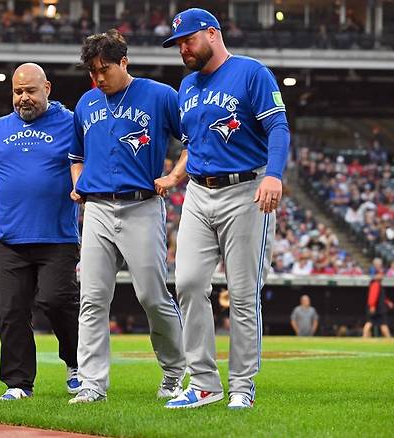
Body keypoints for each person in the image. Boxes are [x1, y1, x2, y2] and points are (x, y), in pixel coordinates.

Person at [159, 8, 290, 409]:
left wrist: (275, 174)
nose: (182, 48)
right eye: (178, 43)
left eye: (188, 40)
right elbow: (191, 143)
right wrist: (178, 174)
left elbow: (278, 127)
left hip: (245, 190)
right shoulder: (187, 87)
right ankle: (203, 384)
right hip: (199, 193)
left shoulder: (251, 72)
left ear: (212, 34)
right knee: (189, 283)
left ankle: (241, 386)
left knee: (244, 293)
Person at [67, 30, 185, 404]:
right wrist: (78, 184)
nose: (98, 78)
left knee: (152, 296)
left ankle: (174, 372)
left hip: (142, 205)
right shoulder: (86, 102)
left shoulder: (160, 95)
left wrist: (173, 176)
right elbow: (75, 157)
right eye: (92, 71)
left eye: (104, 69)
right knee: (92, 298)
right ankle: (92, 384)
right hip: (98, 209)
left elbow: (193, 141)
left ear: (124, 62)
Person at [0, 63, 80, 401]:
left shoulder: (72, 123)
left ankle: (75, 364)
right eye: (17, 92)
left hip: (57, 237)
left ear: (47, 88)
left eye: (30, 91)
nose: (23, 98)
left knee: (57, 300)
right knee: (12, 312)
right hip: (11, 239)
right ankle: (18, 384)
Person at [362, 271, 393, 338]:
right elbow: (372, 296)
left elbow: (381, 297)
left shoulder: (378, 284)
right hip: (376, 308)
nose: (381, 276)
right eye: (380, 274)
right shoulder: (375, 284)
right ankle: (364, 337)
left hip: (379, 308)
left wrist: (388, 302)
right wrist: (372, 306)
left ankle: (389, 339)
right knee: (370, 323)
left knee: (382, 324)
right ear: (376, 275)